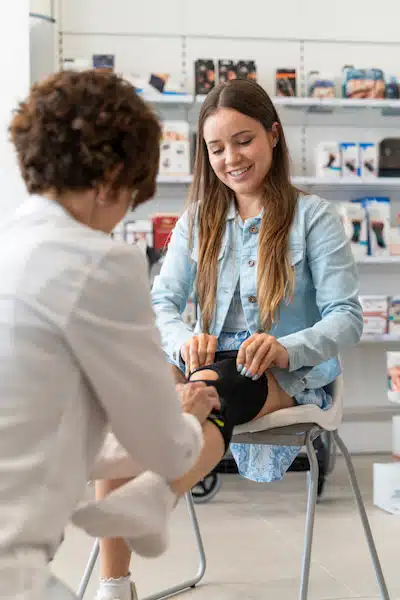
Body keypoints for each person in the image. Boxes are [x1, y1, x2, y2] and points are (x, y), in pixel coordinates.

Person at [96, 78, 364, 600]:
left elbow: (347, 317)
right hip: (205, 364)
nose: (231, 158)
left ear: (273, 136)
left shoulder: (315, 219)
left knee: (211, 388)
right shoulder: (199, 220)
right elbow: (161, 303)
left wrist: (287, 346)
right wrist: (183, 339)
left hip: (278, 372)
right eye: (216, 148)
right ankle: (114, 585)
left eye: (243, 140)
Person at [1, 69, 223, 600]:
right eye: (132, 196)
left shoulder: (11, 245)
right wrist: (187, 416)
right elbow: (166, 451)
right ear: (111, 179)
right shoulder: (98, 265)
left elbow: (44, 432)